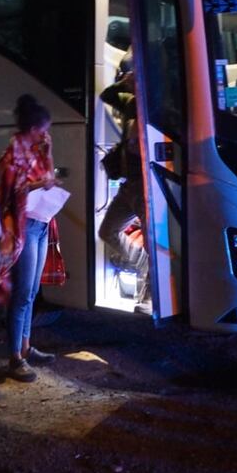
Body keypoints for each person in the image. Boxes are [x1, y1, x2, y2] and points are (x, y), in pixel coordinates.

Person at [0, 94, 59, 382]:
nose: (45, 134)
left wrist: (50, 153)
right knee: (21, 293)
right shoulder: (14, 151)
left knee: (32, 292)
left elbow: (48, 177)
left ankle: (25, 346)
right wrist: (38, 184)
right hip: (24, 226)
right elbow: (9, 189)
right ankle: (14, 357)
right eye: (41, 128)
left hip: (42, 222)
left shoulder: (38, 149)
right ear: (31, 128)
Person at [98, 56, 151, 314]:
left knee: (155, 241)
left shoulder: (157, 106)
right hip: (129, 184)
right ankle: (142, 263)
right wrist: (124, 82)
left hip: (146, 183)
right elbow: (107, 94)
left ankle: (150, 298)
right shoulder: (130, 103)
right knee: (107, 231)